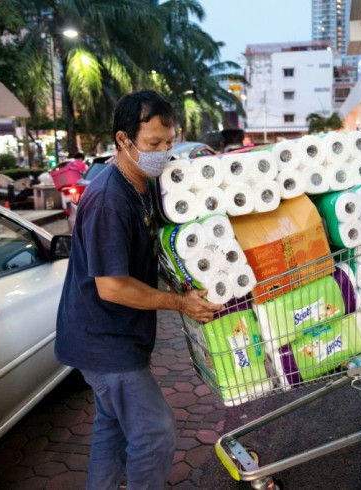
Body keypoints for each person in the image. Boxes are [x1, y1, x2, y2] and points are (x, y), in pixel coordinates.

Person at [55, 90, 221, 489]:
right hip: (105, 341)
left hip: (115, 336)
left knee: (111, 430)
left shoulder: (143, 184)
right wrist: (180, 303)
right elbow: (112, 287)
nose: (163, 153)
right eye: (152, 144)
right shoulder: (109, 200)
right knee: (154, 431)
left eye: (168, 143)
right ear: (123, 140)